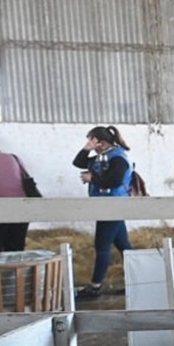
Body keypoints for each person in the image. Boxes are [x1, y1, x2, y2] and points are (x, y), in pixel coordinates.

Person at [72, 125, 135, 299]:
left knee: (102, 245)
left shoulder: (118, 158)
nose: (90, 144)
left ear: (102, 142)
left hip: (113, 205)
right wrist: (86, 149)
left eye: (92, 141)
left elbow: (114, 181)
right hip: (106, 204)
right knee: (125, 247)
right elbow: (78, 163)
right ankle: (137, 281)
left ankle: (95, 287)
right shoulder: (102, 156)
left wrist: (93, 178)